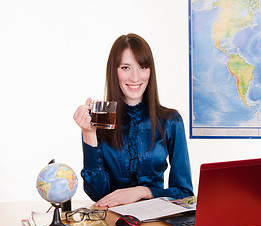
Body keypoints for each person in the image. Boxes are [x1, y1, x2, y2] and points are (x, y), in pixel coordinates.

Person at [73, 33, 194, 207]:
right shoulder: (99, 120)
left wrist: (142, 192)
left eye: (142, 67)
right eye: (125, 68)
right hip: (113, 222)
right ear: (114, 71)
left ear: (150, 71)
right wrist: (88, 133)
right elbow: (97, 193)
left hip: (155, 223)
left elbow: (184, 193)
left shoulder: (171, 121)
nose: (135, 78)